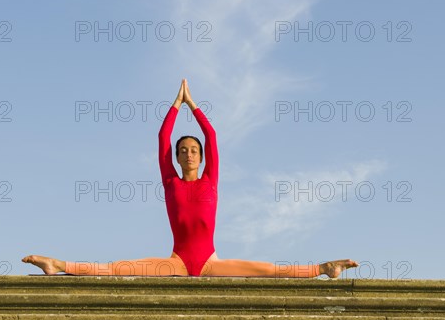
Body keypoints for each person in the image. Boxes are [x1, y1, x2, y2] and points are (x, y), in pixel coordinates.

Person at [22, 79, 359, 278]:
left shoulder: (211, 178)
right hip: (177, 262)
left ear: (200, 156)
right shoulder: (171, 181)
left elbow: (211, 136)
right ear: (176, 156)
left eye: (193, 150)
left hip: (210, 262)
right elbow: (161, 138)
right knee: (116, 268)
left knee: (269, 270)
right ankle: (56, 263)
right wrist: (174, 104)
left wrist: (192, 104)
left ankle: (324, 267)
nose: (188, 153)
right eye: (182, 150)